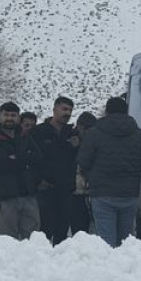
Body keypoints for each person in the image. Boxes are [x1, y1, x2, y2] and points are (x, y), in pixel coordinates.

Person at [76, 96, 141, 247]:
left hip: (102, 193)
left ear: (107, 112)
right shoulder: (139, 134)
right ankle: (125, 267)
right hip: (130, 193)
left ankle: (108, 267)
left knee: (106, 241)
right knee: (126, 240)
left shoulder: (94, 134)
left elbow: (83, 161)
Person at [0, 101, 42, 240]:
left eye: (13, 115)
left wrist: (16, 158)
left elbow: (38, 158)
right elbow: (2, 164)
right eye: (6, 115)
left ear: (18, 118)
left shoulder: (25, 138)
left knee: (33, 239)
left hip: (28, 195)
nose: (9, 118)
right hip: (5, 196)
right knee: (8, 241)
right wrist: (25, 159)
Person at [31, 96, 79, 245]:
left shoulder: (72, 134)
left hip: (65, 191)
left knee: (62, 232)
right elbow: (34, 159)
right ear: (54, 109)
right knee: (44, 231)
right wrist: (38, 180)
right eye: (64, 109)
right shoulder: (39, 132)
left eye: (70, 110)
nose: (67, 113)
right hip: (46, 190)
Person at [70, 111, 97, 235]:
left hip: (91, 191)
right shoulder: (72, 140)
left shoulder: (94, 143)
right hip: (76, 192)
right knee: (79, 230)